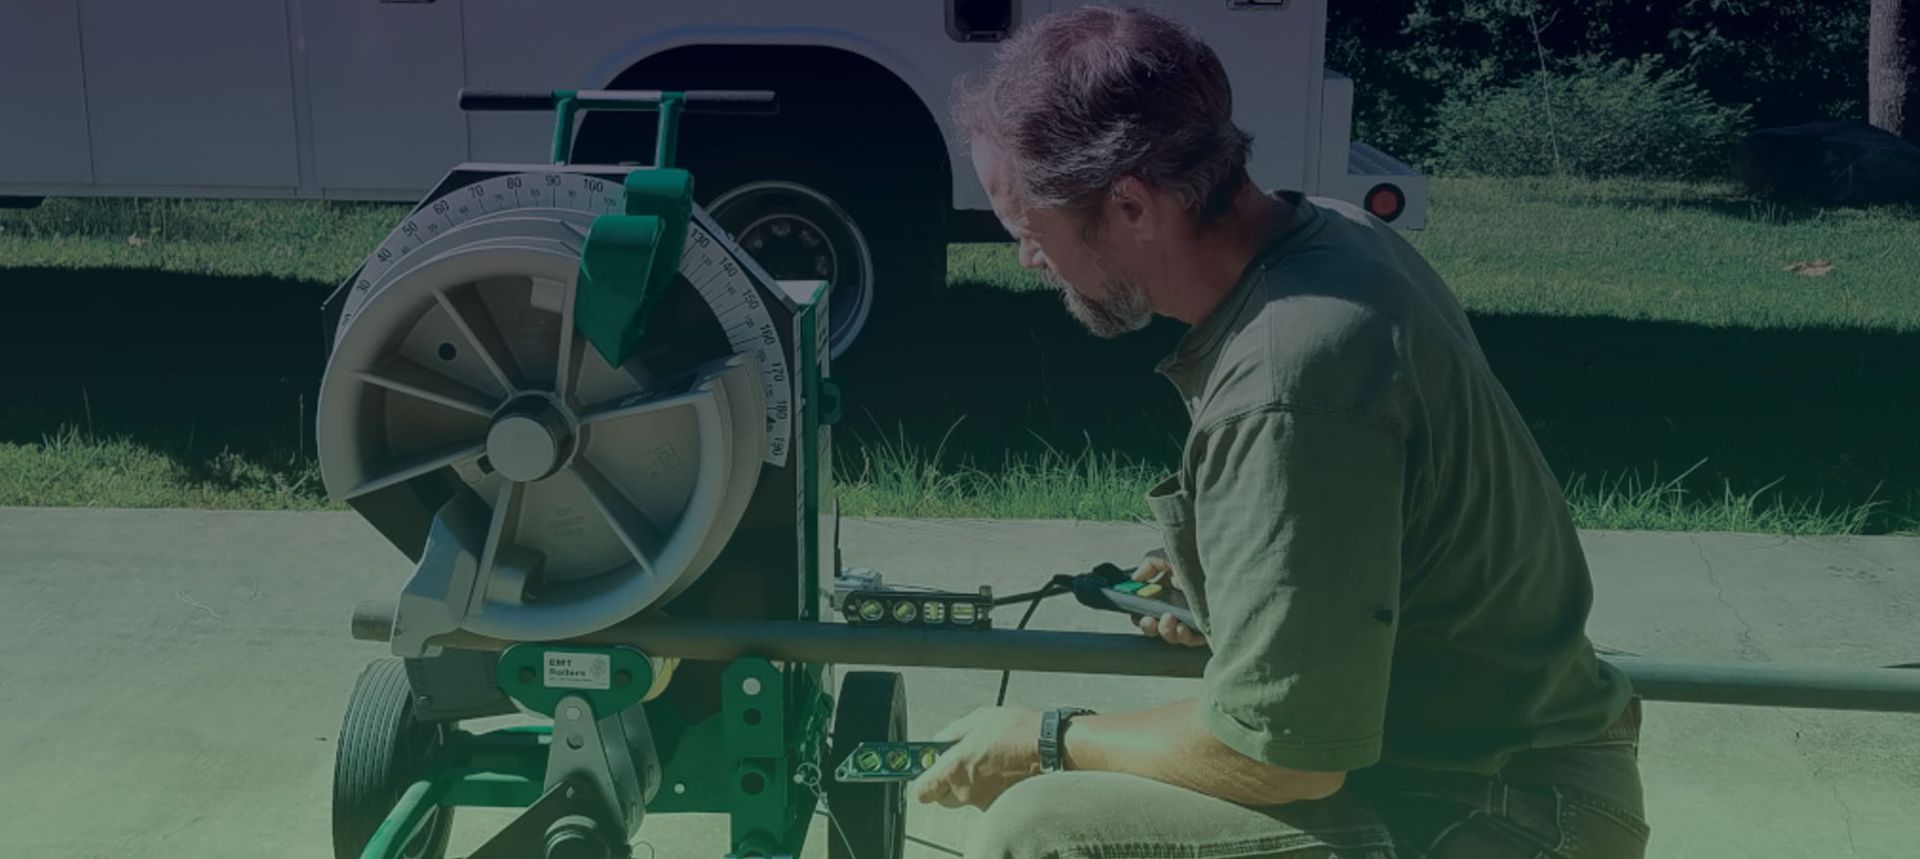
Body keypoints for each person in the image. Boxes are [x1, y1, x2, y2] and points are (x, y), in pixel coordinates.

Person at [906, 6, 1648, 858]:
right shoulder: (1336, 236)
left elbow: (1284, 759)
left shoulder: (1290, 376)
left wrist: (1045, 738)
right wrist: (1238, 581)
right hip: (1517, 770)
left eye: (1029, 229)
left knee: (1043, 829)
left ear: (1132, 205)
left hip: (1497, 810)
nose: (1028, 259)